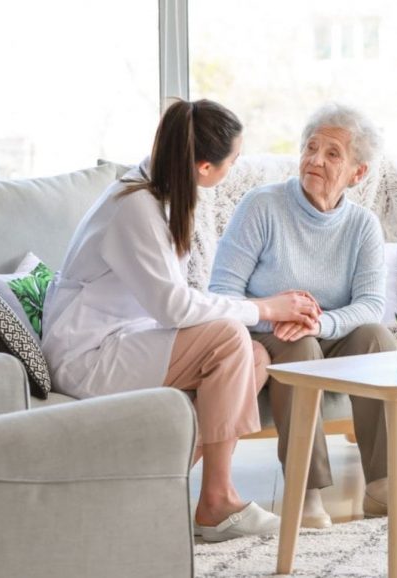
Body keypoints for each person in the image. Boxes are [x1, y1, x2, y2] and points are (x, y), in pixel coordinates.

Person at [41, 99, 321, 543]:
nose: (234, 168)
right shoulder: (133, 208)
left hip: (122, 342)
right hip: (87, 358)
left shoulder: (155, 196)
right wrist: (265, 308)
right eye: (233, 160)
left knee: (254, 356)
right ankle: (217, 502)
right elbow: (174, 308)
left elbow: (175, 303)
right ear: (205, 168)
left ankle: (150, 486)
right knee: (232, 339)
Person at [209, 102, 397, 529]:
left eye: (332, 153)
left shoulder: (363, 225)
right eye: (310, 147)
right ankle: (306, 492)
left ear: (358, 173)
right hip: (265, 333)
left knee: (376, 339)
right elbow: (222, 294)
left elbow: (371, 304)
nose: (315, 159)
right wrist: (277, 317)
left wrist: (321, 322)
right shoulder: (262, 207)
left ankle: (383, 486)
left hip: (326, 331)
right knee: (299, 344)